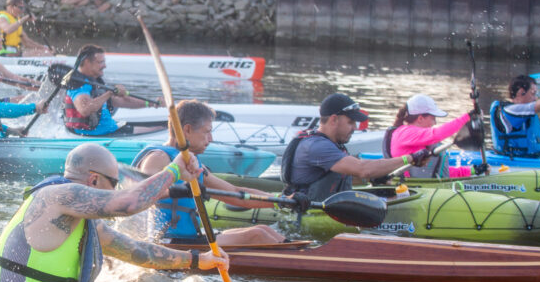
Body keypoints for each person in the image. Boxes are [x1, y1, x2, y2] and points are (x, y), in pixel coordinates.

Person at [0, 143, 228, 282]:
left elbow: (138, 252)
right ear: (93, 180)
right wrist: (174, 170)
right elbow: (128, 203)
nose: (116, 190)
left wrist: (199, 260)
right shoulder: (58, 195)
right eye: (114, 183)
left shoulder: (79, 220)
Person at [133, 100, 288, 245]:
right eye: (206, 132)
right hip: (163, 242)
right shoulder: (158, 157)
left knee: (263, 230)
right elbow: (141, 193)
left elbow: (236, 193)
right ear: (187, 130)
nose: (211, 139)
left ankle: (304, 255)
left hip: (190, 238)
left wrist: (279, 200)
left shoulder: (195, 165)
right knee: (257, 236)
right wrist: (175, 191)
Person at [281, 92, 434, 201]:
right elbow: (362, 169)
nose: (355, 127)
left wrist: (378, 177)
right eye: (351, 122)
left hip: (329, 205)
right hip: (307, 211)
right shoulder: (316, 146)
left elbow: (347, 176)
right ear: (334, 119)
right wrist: (410, 159)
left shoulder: (334, 144)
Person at [63, 44, 165, 136]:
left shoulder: (94, 82)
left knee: (161, 128)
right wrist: (109, 93)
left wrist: (151, 103)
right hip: (93, 135)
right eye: (100, 62)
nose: (104, 66)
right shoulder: (78, 84)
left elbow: (123, 101)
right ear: (87, 63)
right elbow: (85, 109)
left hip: (109, 130)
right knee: (161, 129)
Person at [382, 94, 477, 177]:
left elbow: (436, 172)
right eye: (433, 118)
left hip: (423, 185)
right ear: (420, 118)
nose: (434, 123)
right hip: (411, 188)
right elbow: (438, 134)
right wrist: (467, 117)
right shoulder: (406, 133)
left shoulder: (414, 137)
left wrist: (472, 171)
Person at [490, 74, 540, 157]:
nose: (535, 98)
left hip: (532, 160)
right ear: (521, 92)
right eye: (533, 93)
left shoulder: (522, 114)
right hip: (513, 163)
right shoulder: (511, 110)